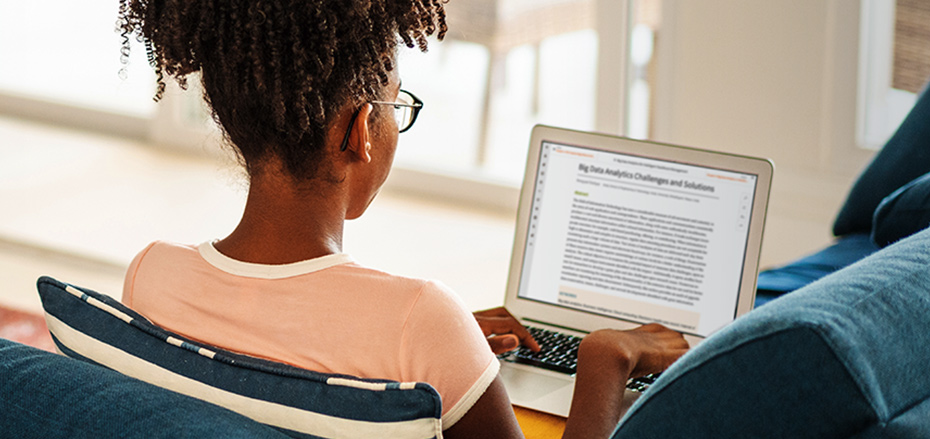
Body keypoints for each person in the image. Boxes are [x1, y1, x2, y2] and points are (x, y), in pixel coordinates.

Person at [116, 2, 689, 438]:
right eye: (398, 105)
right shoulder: (420, 319)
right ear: (359, 130)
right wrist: (606, 358)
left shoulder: (150, 275)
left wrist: (444, 343)